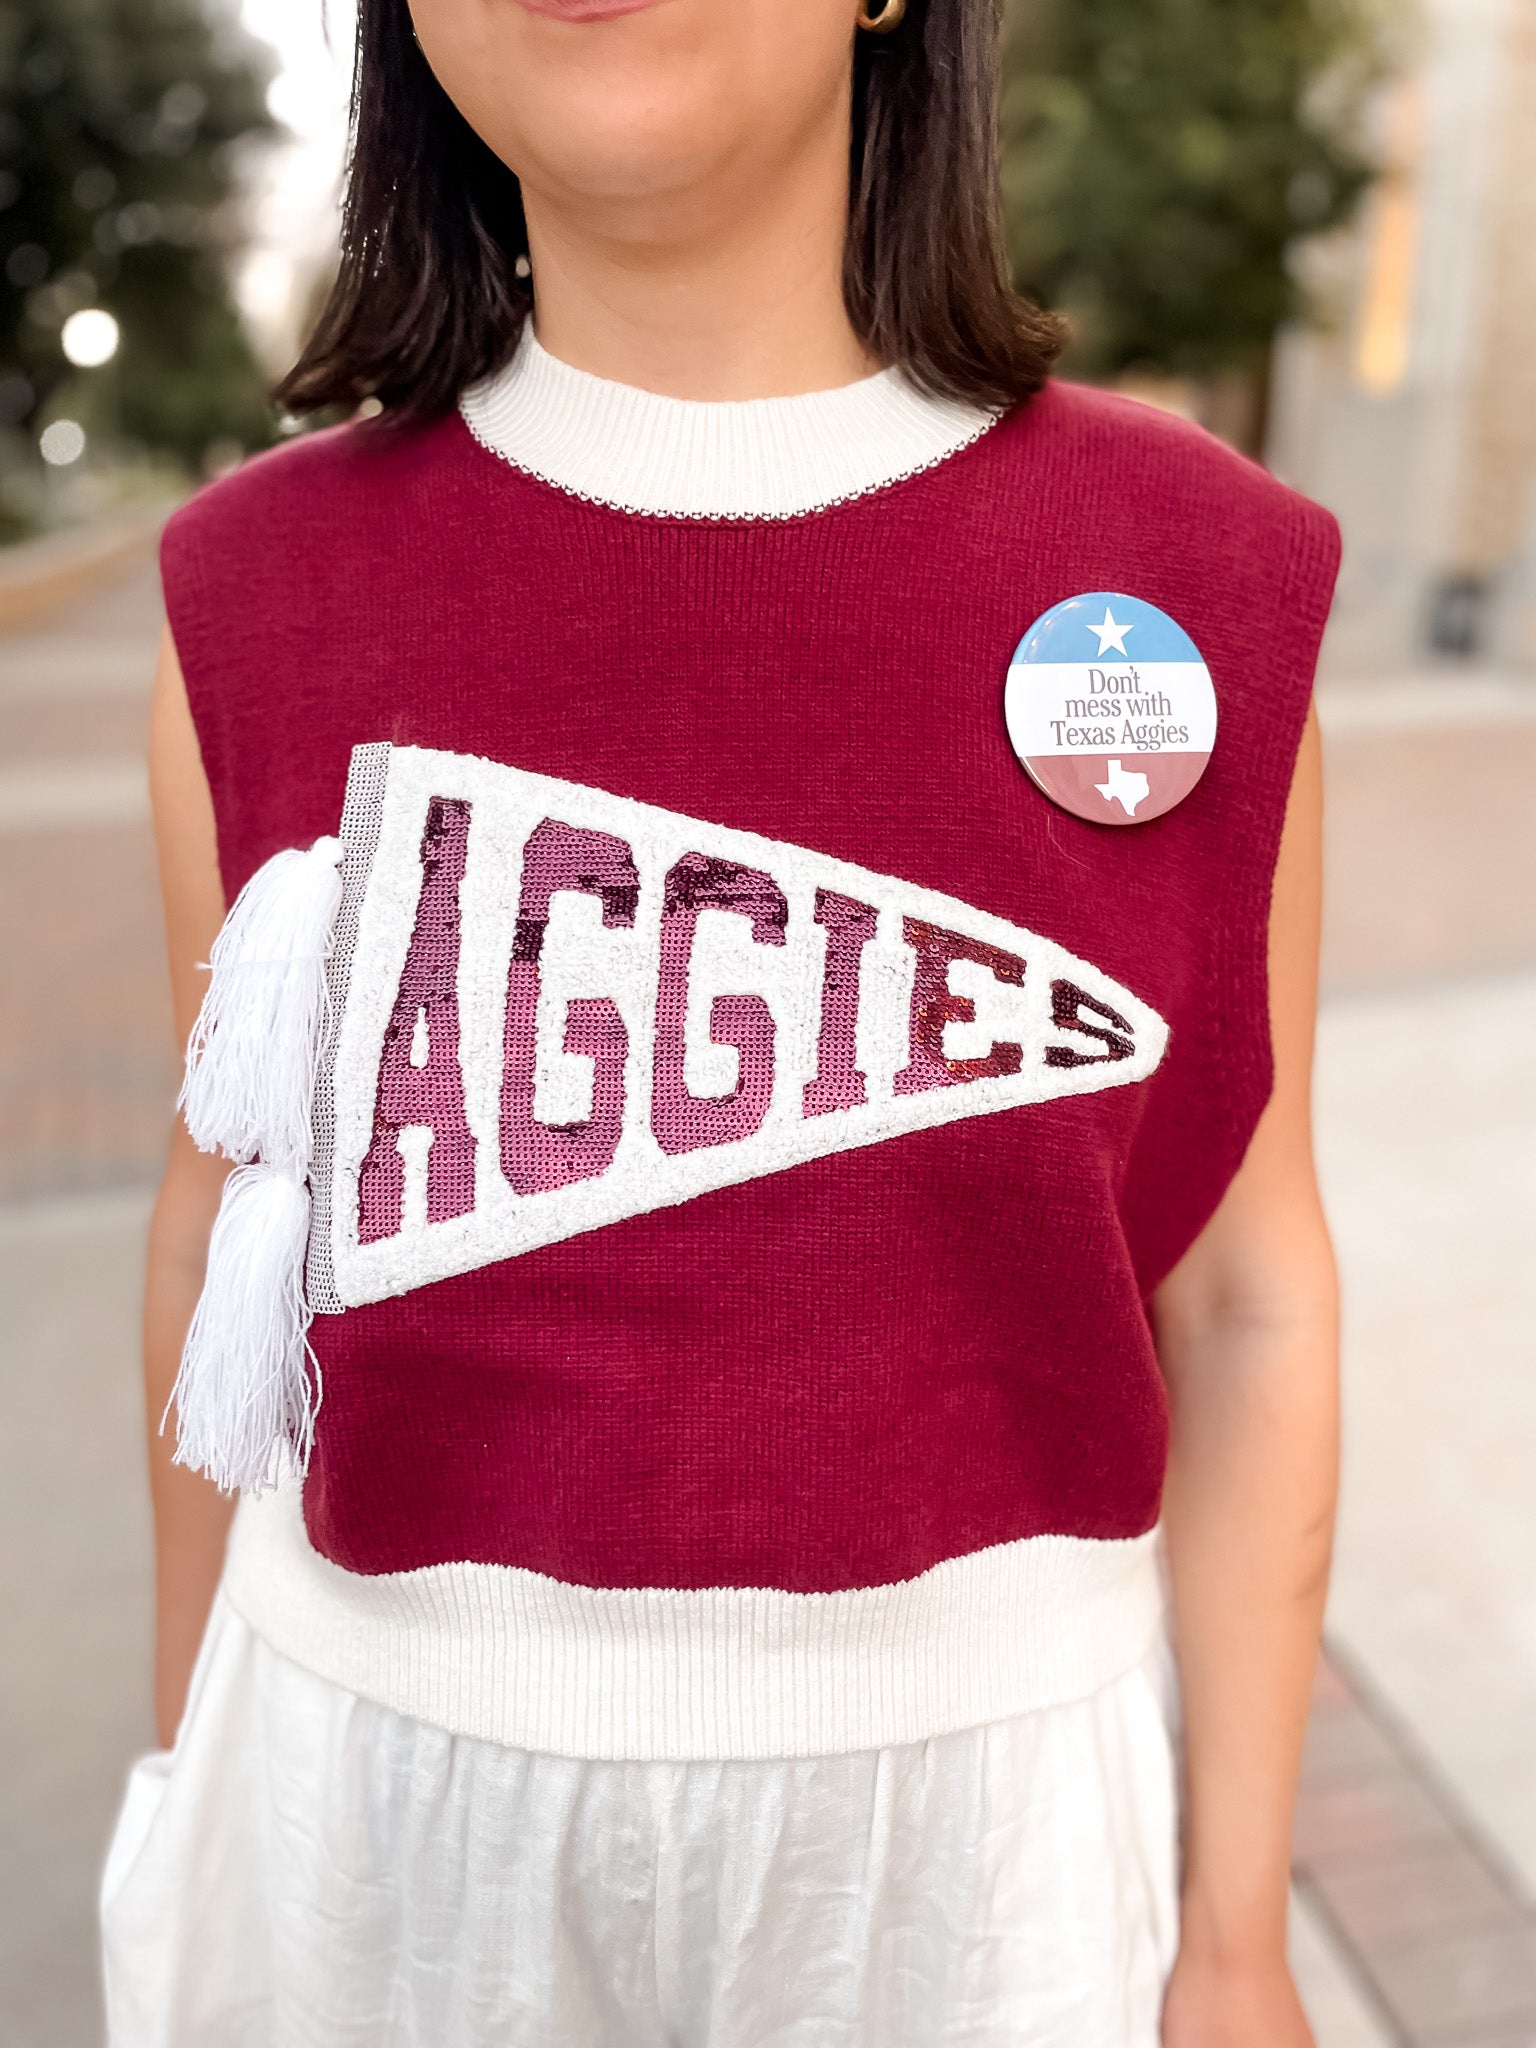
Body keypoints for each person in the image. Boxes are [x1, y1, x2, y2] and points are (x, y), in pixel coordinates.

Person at [99, 0, 1342, 2042]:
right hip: (367, 1840)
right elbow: (215, 1242)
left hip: (986, 1879)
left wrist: (1234, 1933)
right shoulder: (254, 592)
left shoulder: (1196, 581)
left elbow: (1253, 1289)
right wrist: (187, 1774)